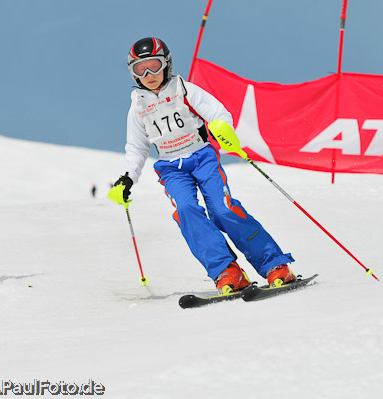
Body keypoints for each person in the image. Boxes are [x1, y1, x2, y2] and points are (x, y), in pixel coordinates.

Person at [108, 37, 296, 294]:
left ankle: (275, 265)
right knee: (186, 211)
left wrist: (221, 128)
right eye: (140, 69)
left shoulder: (183, 89)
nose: (149, 74)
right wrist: (128, 178)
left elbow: (218, 112)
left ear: (167, 64)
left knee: (222, 209)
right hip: (170, 167)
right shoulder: (138, 107)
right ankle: (227, 272)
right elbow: (137, 147)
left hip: (201, 156)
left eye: (154, 65)